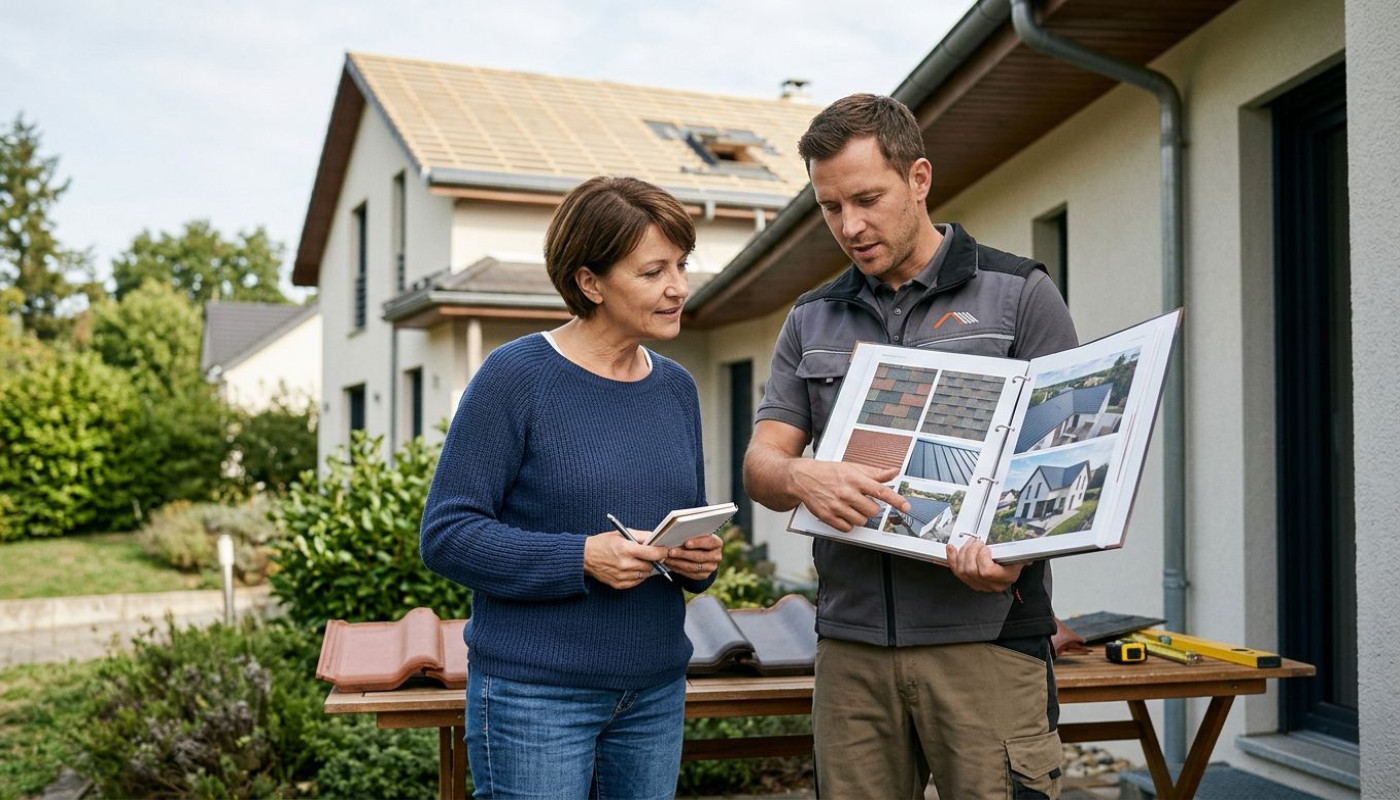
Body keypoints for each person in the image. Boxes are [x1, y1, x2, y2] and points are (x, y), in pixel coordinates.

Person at [743, 94, 1078, 799]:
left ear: (919, 179)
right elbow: (763, 464)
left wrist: (1013, 557)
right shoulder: (811, 319)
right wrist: (803, 477)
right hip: (852, 650)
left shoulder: (1019, 295)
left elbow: (1066, 456)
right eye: (830, 207)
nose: (850, 226)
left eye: (866, 198)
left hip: (986, 640)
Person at [420, 175, 723, 800]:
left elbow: (680, 528)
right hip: (535, 697)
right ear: (590, 282)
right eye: (653, 271)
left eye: (682, 265)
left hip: (655, 691)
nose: (678, 288)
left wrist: (698, 562)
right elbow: (447, 535)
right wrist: (581, 558)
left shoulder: (677, 389)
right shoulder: (515, 377)